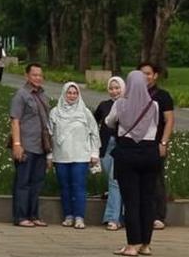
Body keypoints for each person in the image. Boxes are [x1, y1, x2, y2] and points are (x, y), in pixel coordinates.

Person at [105, 71, 161, 257]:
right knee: (147, 200)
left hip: (127, 153)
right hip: (150, 154)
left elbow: (109, 122)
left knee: (131, 201)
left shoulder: (120, 104)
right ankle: (145, 244)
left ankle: (132, 244)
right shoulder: (154, 105)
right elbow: (156, 125)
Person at [49, 83, 100, 230]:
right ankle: (68, 215)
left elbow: (94, 134)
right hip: (61, 156)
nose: (72, 96)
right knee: (65, 187)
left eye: (75, 93)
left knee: (79, 187)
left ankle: (79, 216)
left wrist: (94, 153)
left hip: (81, 156)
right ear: (64, 94)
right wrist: (50, 155)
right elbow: (50, 135)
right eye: (69, 93)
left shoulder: (85, 113)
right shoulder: (55, 112)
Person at [10, 63, 52, 228]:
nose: (38, 78)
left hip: (41, 146)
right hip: (26, 145)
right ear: (27, 76)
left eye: (40, 75)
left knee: (37, 182)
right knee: (23, 182)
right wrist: (17, 144)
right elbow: (15, 121)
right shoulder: (21, 95)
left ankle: (33, 215)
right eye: (34, 75)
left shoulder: (43, 96)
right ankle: (20, 216)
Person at [139, 62, 175, 231]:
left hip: (155, 143)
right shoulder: (134, 95)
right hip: (137, 144)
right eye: (142, 73)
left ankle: (158, 215)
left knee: (156, 180)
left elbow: (169, 121)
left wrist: (164, 142)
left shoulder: (162, 96)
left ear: (155, 75)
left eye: (148, 73)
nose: (145, 77)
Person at [94, 76, 125, 231]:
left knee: (115, 181)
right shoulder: (103, 105)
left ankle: (112, 218)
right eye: (111, 88)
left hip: (120, 147)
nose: (114, 91)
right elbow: (94, 123)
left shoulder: (127, 105)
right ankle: (120, 217)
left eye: (117, 88)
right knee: (112, 182)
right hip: (105, 145)